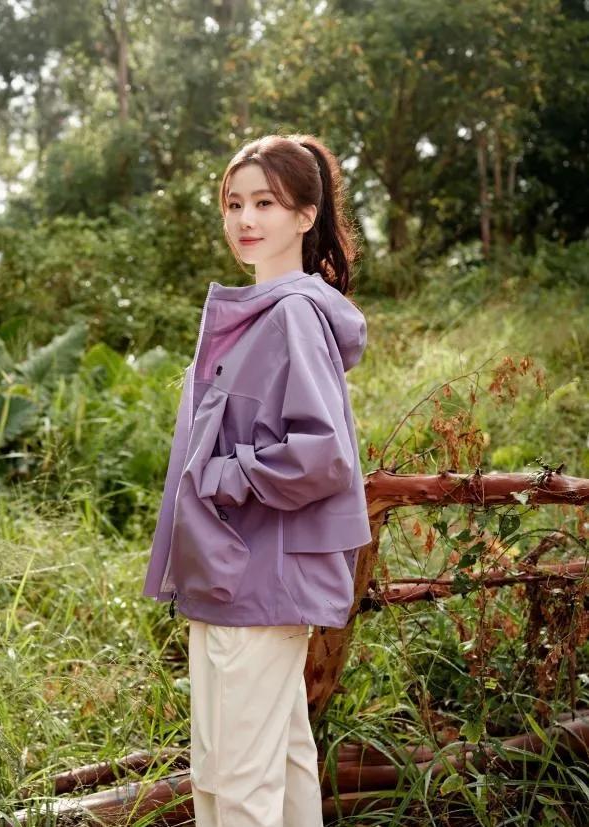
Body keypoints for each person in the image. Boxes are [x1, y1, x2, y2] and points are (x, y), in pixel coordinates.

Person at [142, 133, 372, 826]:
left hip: (260, 575)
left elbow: (323, 453)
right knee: (269, 764)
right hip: (227, 568)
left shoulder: (292, 314)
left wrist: (223, 474)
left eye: (265, 203)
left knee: (234, 781)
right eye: (235, 203)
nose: (245, 219)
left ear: (305, 215)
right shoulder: (250, 314)